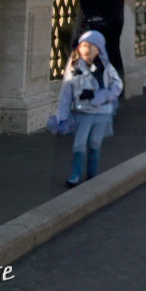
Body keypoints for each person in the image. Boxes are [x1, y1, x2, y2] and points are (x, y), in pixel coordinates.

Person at [54, 30, 122, 189]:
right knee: (79, 145)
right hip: (82, 113)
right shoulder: (74, 67)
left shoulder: (106, 68)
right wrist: (62, 116)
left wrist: (103, 95)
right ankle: (75, 175)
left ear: (99, 50)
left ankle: (92, 175)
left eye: (92, 47)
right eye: (84, 46)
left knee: (95, 143)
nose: (87, 50)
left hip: (101, 114)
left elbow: (117, 86)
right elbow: (66, 93)